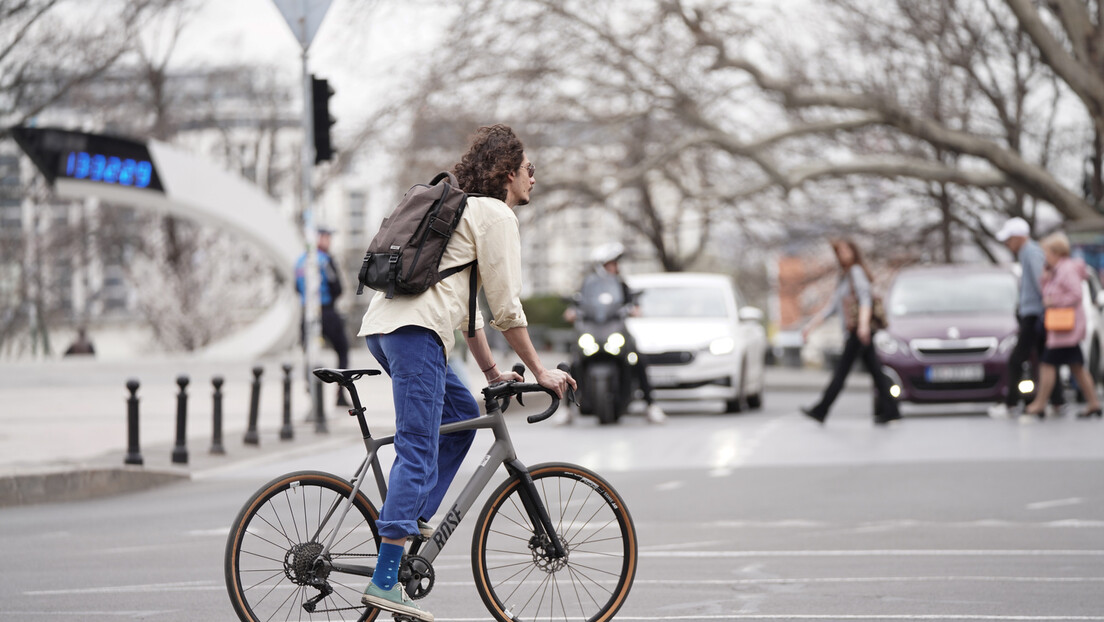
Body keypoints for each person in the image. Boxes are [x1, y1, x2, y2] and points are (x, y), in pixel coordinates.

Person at [356, 124, 576, 621]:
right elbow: (507, 309)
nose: (533, 179)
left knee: (458, 413)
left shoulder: (463, 214)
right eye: (529, 170)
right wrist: (541, 371)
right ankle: (385, 579)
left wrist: (494, 373)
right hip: (415, 336)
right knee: (417, 446)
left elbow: (471, 316)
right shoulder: (494, 213)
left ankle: (411, 517)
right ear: (508, 173)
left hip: (392, 330)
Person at [799, 238, 901, 425]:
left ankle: (821, 409)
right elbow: (831, 307)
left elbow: (865, 300)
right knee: (876, 373)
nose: (842, 255)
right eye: (839, 252)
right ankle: (892, 410)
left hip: (858, 331)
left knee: (841, 372)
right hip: (857, 331)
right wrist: (810, 326)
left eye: (846, 251)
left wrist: (862, 325)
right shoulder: (844, 276)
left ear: (854, 251)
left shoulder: (856, 272)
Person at [562, 242, 666, 424]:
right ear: (601, 265)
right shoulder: (588, 285)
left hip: (616, 329)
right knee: (574, 361)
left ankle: (651, 405)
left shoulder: (620, 284)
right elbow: (576, 305)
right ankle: (565, 409)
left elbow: (633, 303)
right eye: (611, 263)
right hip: (592, 330)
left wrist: (635, 309)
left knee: (638, 358)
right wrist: (572, 312)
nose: (615, 267)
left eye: (615, 263)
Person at [987, 217, 1065, 419]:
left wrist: (1045, 306)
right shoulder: (1027, 253)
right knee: (1044, 359)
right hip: (1034, 313)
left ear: (1019, 237)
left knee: (1017, 359)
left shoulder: (1031, 253)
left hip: (1034, 315)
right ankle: (1057, 401)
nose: (1007, 244)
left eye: (1010, 239)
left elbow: (1041, 282)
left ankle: (1012, 403)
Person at [1021, 232, 1102, 420]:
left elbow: (1075, 294)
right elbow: (1047, 289)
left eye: (1047, 252)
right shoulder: (1057, 270)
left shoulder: (1066, 269)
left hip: (1065, 330)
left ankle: (1040, 403)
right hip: (1064, 330)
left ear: (1057, 252)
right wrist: (1046, 276)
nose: (1045, 256)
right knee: (1077, 368)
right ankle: (1093, 403)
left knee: (1048, 364)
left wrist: (1054, 300)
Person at [295, 227, 351, 405]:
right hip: (327, 311)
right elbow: (337, 288)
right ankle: (341, 394)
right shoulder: (325, 261)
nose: (329, 242)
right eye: (327, 237)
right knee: (342, 349)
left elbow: (296, 288)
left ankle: (313, 397)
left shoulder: (300, 262)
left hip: (307, 314)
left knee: (310, 354)